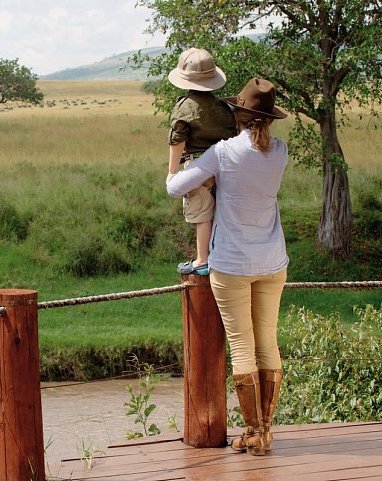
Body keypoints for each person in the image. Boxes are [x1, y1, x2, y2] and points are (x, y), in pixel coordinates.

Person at [166, 78, 289, 456]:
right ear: (269, 118)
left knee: (242, 346)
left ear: (238, 115)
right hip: (272, 261)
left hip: (232, 263)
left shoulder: (223, 152)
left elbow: (175, 187)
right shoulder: (280, 151)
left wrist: (175, 160)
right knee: (268, 341)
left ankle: (253, 432)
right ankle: (264, 431)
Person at [166, 48, 237, 275]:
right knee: (221, 212)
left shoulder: (183, 107)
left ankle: (202, 260)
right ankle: (220, 255)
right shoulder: (225, 107)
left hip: (197, 166)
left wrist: (172, 172)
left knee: (202, 214)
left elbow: (177, 141)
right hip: (225, 165)